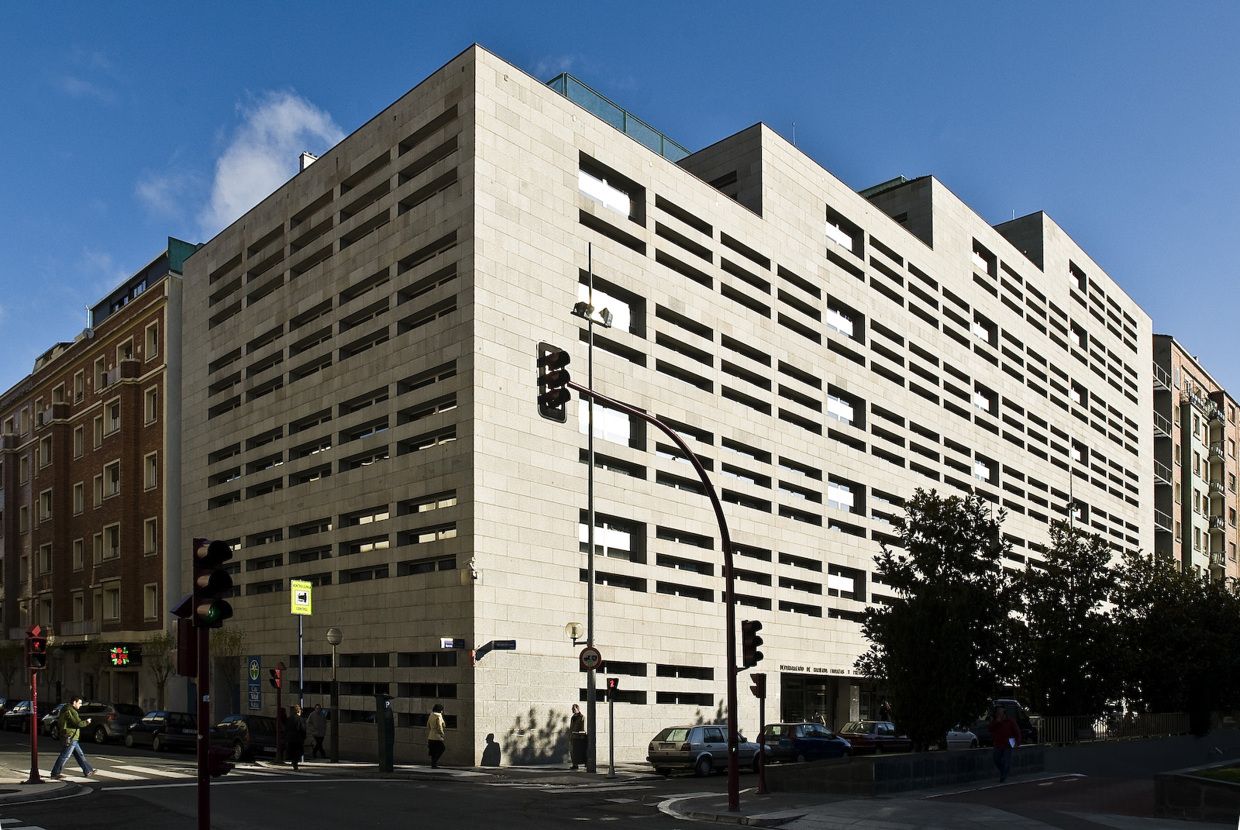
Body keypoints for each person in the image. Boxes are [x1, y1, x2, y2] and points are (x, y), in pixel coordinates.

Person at [49, 695, 96, 779]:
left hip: (71, 736)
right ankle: (55, 773)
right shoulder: (71, 710)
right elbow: (78, 723)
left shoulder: (66, 708)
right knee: (65, 756)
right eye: (79, 703)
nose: (80, 705)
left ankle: (88, 770)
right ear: (74, 702)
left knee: (79, 754)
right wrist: (87, 722)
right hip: (71, 736)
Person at [989, 705, 1022, 783]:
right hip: (998, 743)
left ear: (1004, 713)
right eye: (997, 712)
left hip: (1008, 743)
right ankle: (1003, 771)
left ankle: (1003, 776)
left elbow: (1017, 732)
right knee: (996, 759)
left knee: (1006, 760)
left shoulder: (1010, 721)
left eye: (1000, 712)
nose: (998, 713)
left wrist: (1018, 742)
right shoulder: (995, 721)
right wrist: (996, 722)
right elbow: (990, 729)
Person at [285, 704, 307, 771]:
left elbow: (286, 728)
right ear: (299, 711)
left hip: (290, 738)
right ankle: (295, 763)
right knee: (298, 752)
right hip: (298, 738)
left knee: (292, 751)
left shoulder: (289, 719)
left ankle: (294, 762)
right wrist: (304, 737)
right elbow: (303, 729)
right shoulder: (300, 719)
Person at [427, 703, 446, 768]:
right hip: (437, 736)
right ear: (440, 710)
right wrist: (442, 733)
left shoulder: (431, 715)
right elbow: (440, 726)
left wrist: (431, 730)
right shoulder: (438, 716)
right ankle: (434, 762)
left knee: (433, 750)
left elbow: (428, 725)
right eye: (442, 710)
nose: (442, 711)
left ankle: (433, 764)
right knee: (442, 748)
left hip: (430, 736)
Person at [569, 703, 586, 770]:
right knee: (572, 751)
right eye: (572, 709)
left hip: (579, 737)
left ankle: (585, 763)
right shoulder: (572, 717)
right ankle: (574, 764)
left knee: (580, 751)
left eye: (574, 709)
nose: (572, 710)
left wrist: (582, 735)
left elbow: (583, 728)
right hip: (573, 736)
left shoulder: (582, 717)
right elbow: (571, 727)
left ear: (577, 709)